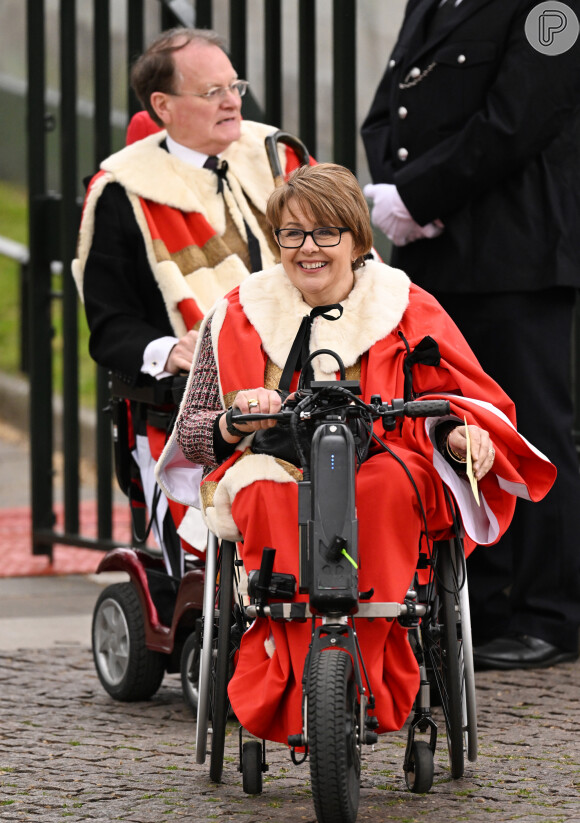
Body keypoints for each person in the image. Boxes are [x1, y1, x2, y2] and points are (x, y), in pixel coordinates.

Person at [156, 162, 554, 745]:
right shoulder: (236, 312)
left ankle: (370, 674)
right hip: (276, 462)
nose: (307, 249)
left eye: (325, 233)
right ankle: (292, 680)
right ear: (277, 241)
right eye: (292, 234)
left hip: (383, 458)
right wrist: (236, 418)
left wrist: (455, 435)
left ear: (356, 239)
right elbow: (192, 435)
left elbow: (450, 398)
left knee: (392, 488)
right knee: (264, 493)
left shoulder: (406, 307)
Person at [361, 0, 580, 669]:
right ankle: (478, 603)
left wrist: (420, 196)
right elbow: (392, 102)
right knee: (453, 422)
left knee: (532, 428)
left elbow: (519, 118)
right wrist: (397, 189)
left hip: (516, 254)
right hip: (440, 253)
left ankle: (551, 612)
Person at [72, 27, 310, 574]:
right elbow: (111, 327)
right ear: (163, 105)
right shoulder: (123, 191)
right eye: (212, 92)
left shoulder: (277, 159)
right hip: (197, 404)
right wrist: (170, 350)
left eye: (235, 87)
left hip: (309, 383)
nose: (233, 103)